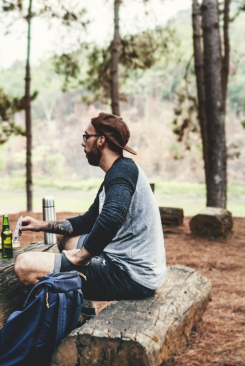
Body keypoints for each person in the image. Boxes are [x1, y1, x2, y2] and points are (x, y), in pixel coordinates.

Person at [14, 113, 166, 301]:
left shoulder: (122, 172)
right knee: (65, 238)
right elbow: (88, 220)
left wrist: (82, 257)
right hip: (129, 266)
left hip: (130, 275)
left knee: (24, 265)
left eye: (86, 137)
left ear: (101, 140)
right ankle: (78, 305)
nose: (83, 143)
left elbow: (112, 217)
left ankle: (62, 309)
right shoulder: (117, 172)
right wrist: (41, 225)